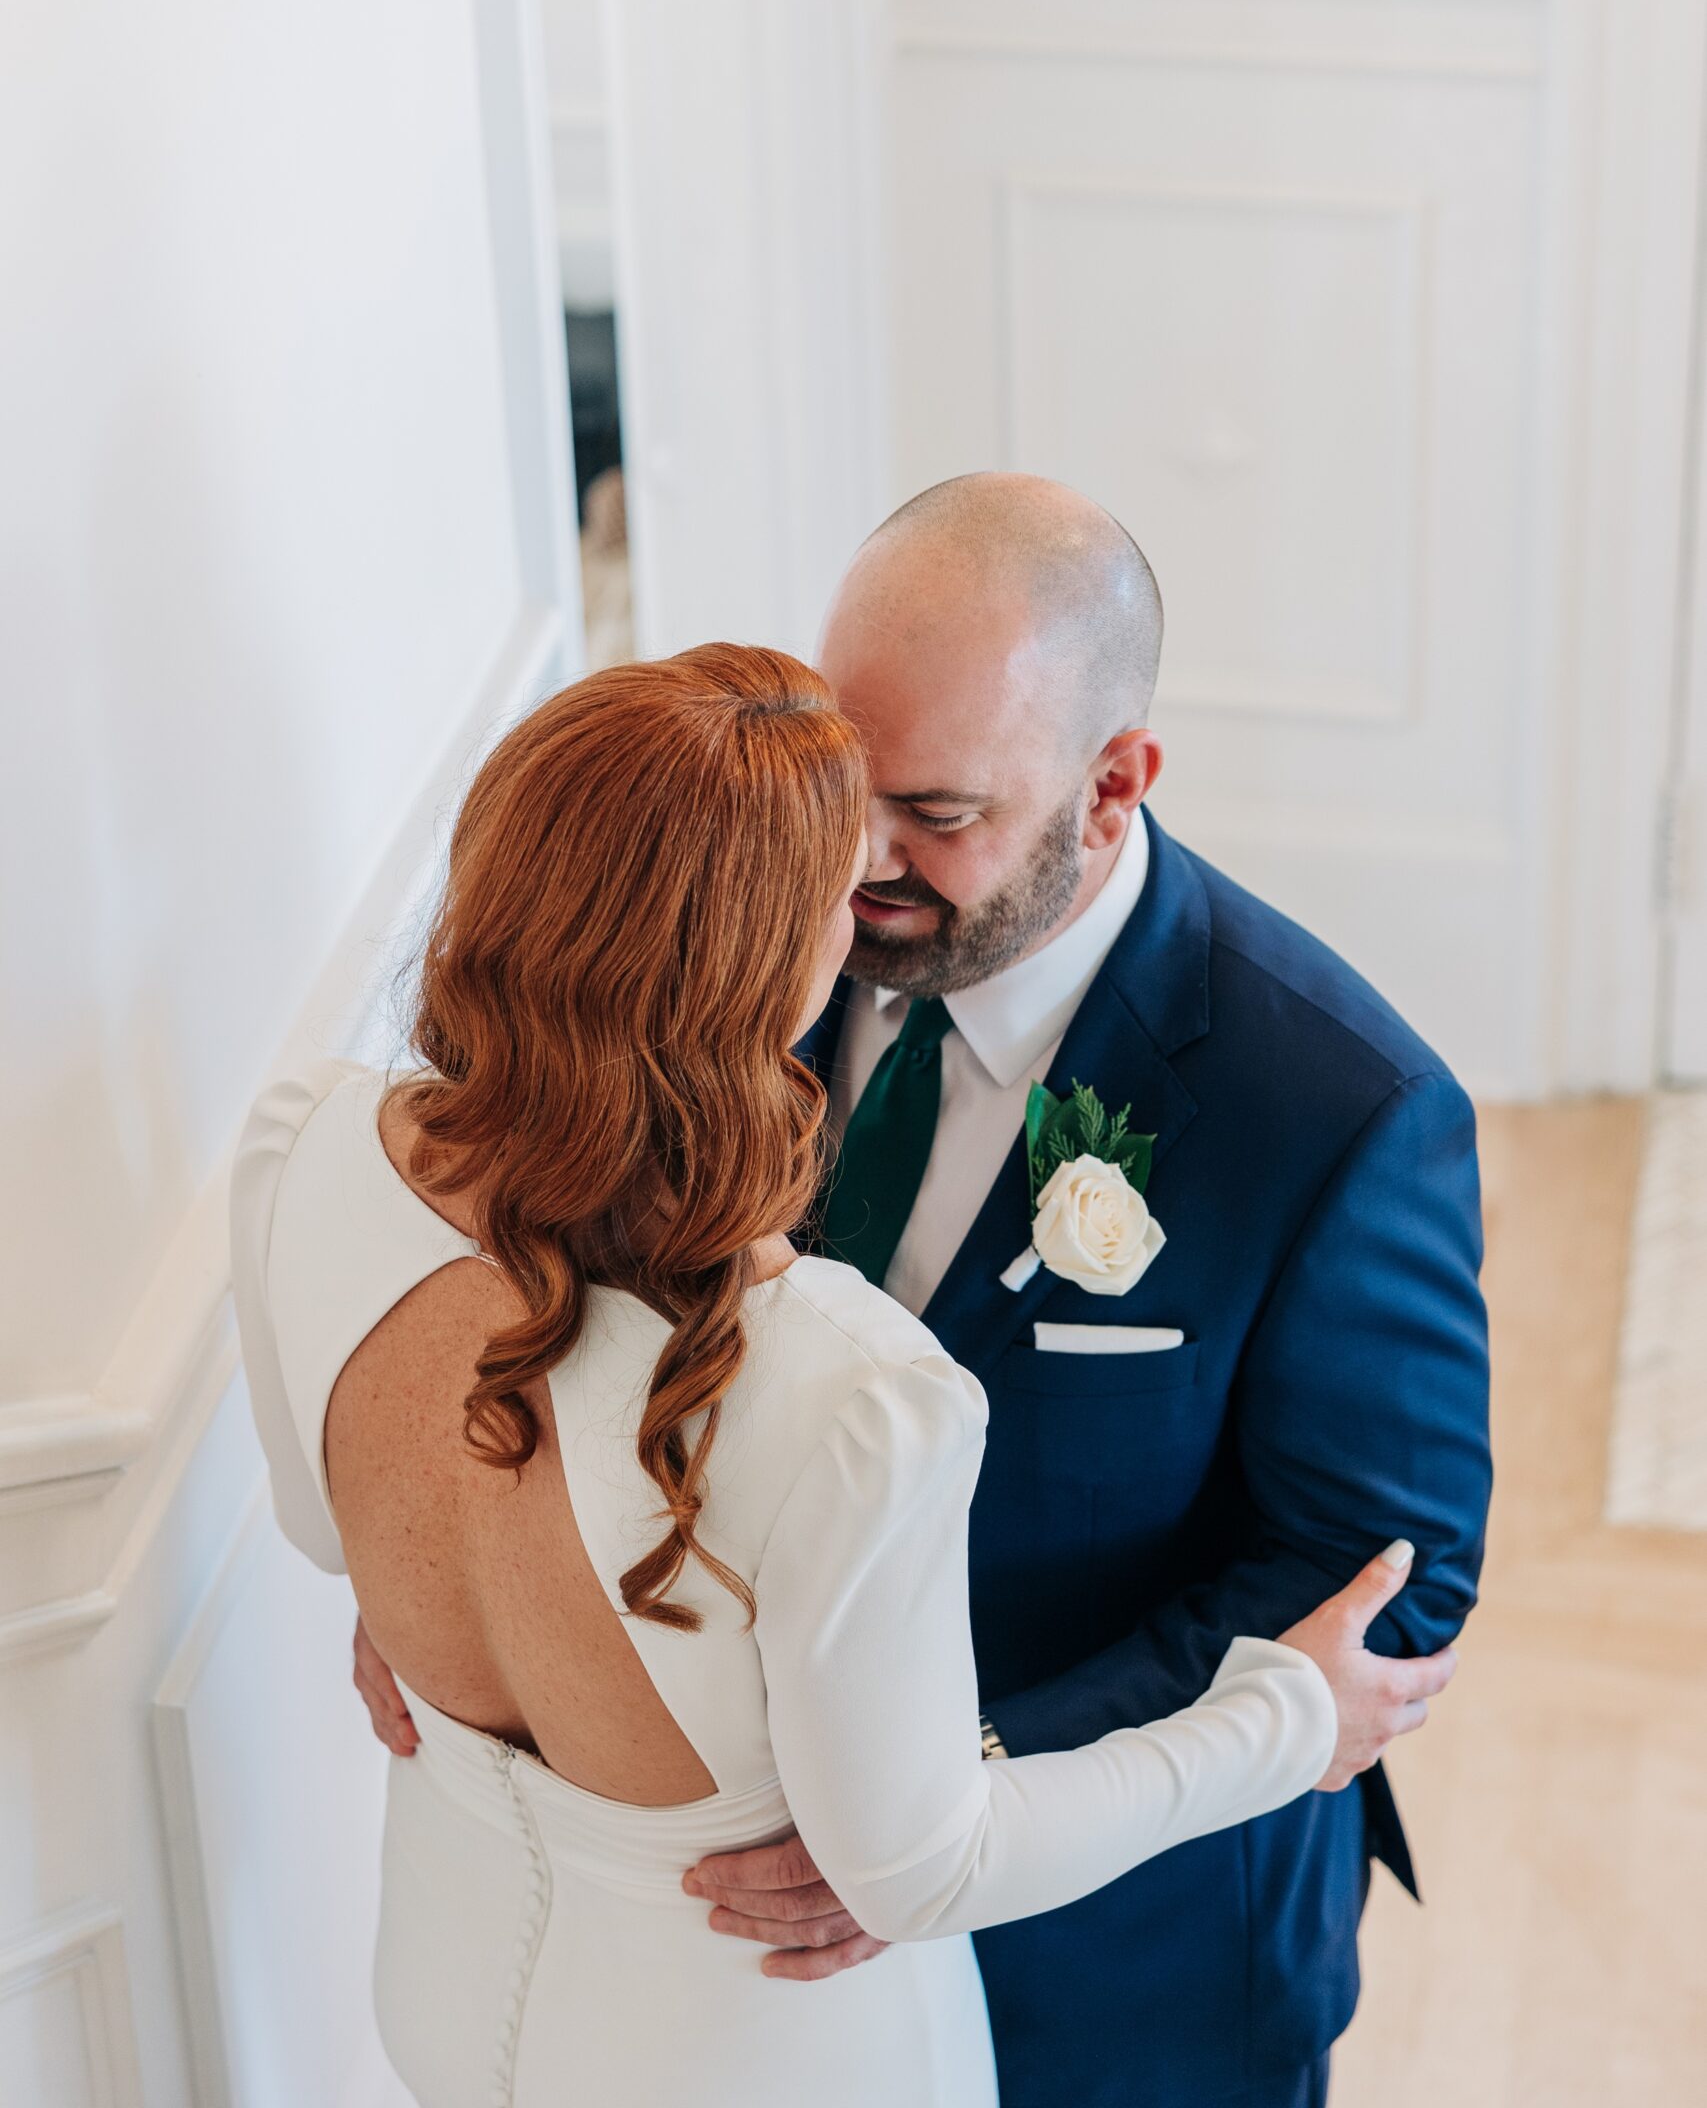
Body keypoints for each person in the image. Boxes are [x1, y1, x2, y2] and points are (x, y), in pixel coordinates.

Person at [239, 642, 1453, 2108]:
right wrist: (1293, 1718)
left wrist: (443, 1604)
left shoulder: (305, 1141)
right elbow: (924, 1860)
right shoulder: (856, 1392)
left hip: (447, 1975)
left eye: (921, 814)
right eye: (842, 849)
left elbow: (331, 1526)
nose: (873, 874)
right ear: (746, 952)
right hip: (755, 2046)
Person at [665, 479, 1494, 2108]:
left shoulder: (1335, 1112)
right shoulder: (770, 945)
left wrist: (944, 1809)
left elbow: (1378, 1581)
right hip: (771, 1942)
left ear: (1114, 788)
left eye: (939, 811)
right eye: (845, 784)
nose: (860, 861)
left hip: (1135, 1959)